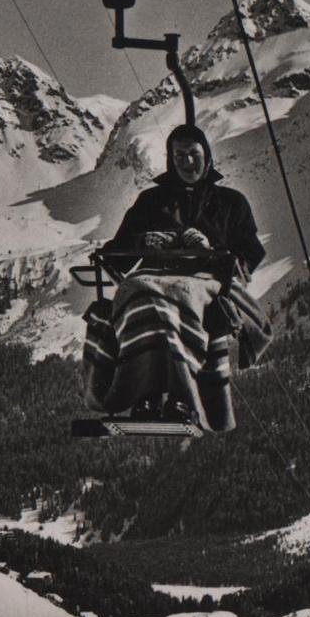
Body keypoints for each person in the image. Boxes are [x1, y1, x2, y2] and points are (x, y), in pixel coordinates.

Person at [81, 122, 271, 430]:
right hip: (154, 274)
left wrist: (211, 248)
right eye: (179, 155)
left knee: (181, 293)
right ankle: (145, 392)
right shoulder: (151, 201)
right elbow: (120, 249)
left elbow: (248, 252)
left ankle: (182, 395)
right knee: (138, 288)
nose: (187, 162)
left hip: (205, 279)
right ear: (171, 159)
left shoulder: (230, 203)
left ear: (207, 158)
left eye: (193, 154)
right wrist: (143, 242)